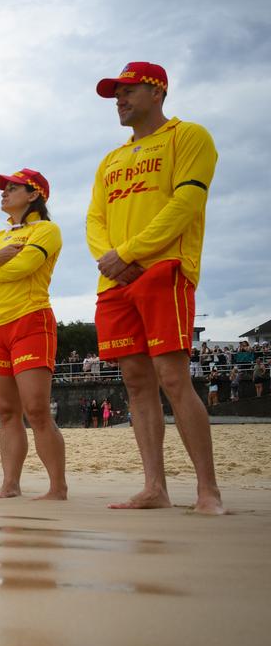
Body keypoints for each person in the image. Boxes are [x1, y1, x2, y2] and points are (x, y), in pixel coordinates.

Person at [88, 61, 223, 513]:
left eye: (127, 91)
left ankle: (208, 490)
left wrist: (131, 254)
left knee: (172, 377)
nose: (119, 101)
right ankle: (154, 487)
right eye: (115, 94)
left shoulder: (189, 136)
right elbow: (95, 220)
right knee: (135, 381)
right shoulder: (110, 159)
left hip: (165, 268)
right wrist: (111, 259)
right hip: (115, 280)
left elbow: (186, 202)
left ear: (157, 91)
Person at [0, 168, 67, 499]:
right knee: (6, 411)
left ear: (33, 194)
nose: (3, 194)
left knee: (36, 409)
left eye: (11, 188)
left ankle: (57, 487)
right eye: (3, 189)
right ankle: (11, 483)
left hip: (31, 321)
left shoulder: (47, 231)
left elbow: (23, 267)